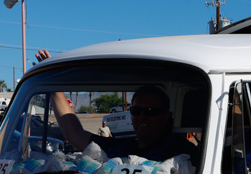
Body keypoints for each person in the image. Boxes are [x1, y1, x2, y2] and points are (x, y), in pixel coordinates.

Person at [34, 49, 193, 162]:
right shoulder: (120, 147)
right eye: (136, 111)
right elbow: (75, 134)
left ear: (166, 116)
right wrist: (54, 89)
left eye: (151, 111)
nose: (141, 117)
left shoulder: (182, 152)